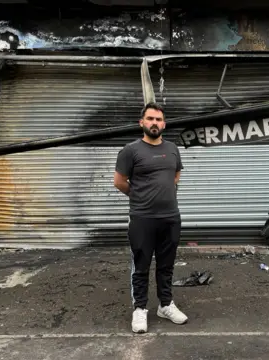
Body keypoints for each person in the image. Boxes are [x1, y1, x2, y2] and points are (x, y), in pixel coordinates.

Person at [114, 102, 188, 334]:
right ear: (142, 123)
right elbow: (119, 182)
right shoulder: (130, 150)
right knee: (141, 266)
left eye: (158, 120)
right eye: (150, 119)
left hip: (170, 218)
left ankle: (165, 305)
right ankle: (140, 309)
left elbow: (176, 174)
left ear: (163, 124)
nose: (154, 123)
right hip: (142, 218)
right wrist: (139, 197)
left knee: (166, 265)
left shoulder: (173, 148)